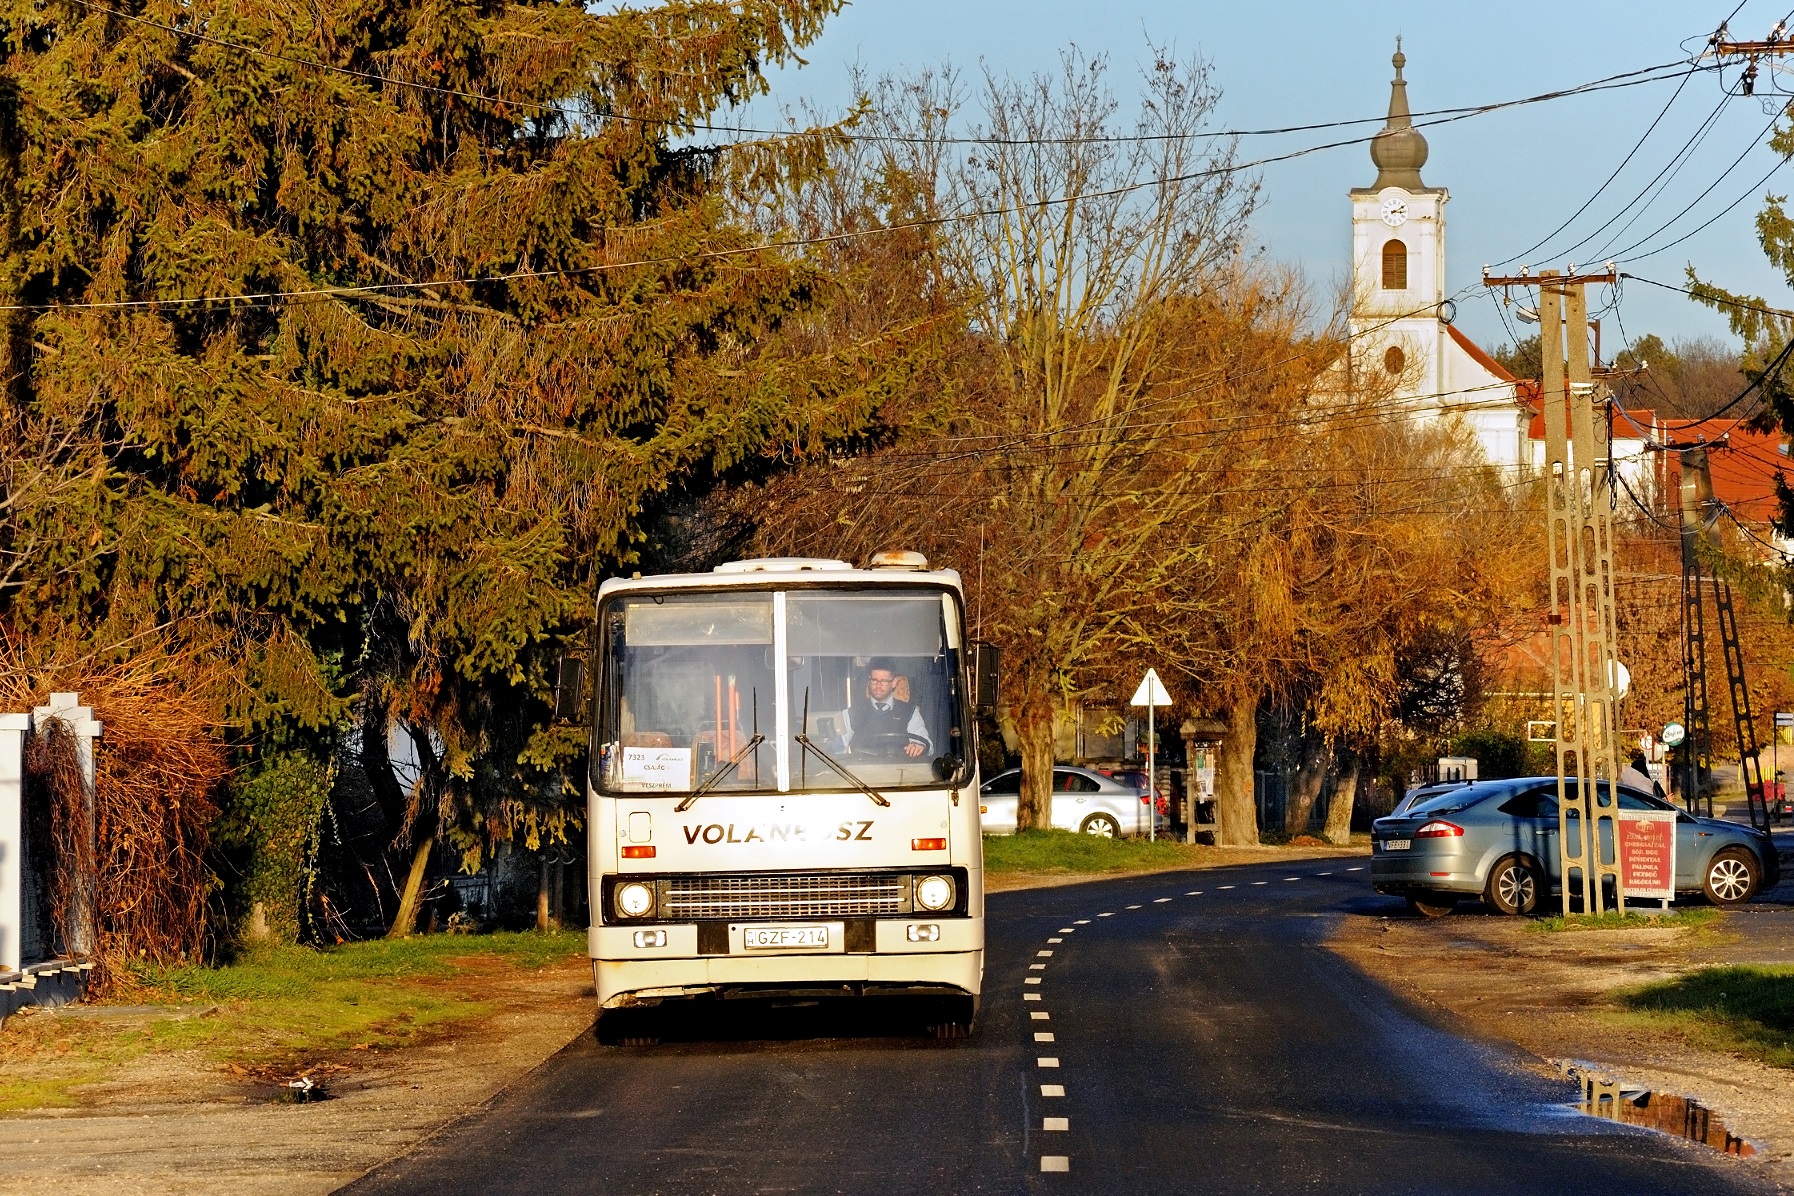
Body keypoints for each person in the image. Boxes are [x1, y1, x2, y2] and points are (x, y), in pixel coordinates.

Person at [840, 659, 931, 759]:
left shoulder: (910, 712)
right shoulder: (851, 713)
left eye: (884, 681)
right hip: (859, 772)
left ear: (893, 683)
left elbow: (926, 745)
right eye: (874, 680)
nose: (878, 686)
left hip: (901, 771)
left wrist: (919, 747)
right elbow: (838, 748)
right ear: (869, 680)